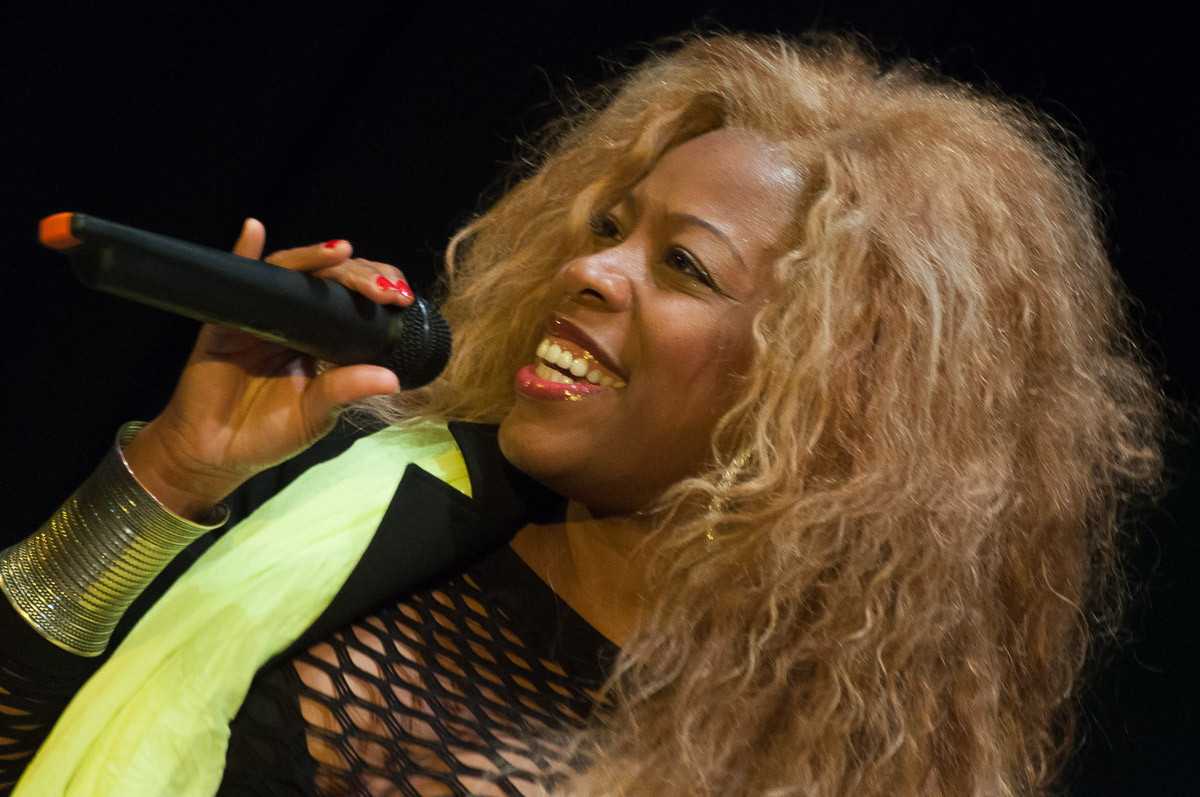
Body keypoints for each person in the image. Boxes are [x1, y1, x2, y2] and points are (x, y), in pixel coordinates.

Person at [0, 32, 1164, 796]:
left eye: (685, 265)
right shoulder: (353, 479)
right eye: (611, 226)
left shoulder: (789, 759)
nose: (590, 269)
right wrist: (170, 474)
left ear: (832, 395)